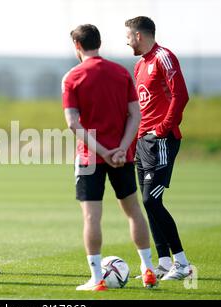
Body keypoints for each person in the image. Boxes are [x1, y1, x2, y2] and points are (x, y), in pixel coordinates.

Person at [61, 24, 157, 291]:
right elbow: (135, 115)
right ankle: (148, 270)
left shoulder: (72, 77)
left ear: (77, 46)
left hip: (91, 157)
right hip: (122, 156)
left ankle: (96, 279)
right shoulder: (121, 73)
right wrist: (121, 148)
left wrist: (101, 151)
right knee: (133, 211)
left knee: (92, 218)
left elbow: (73, 124)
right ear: (99, 43)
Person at [125, 16, 191, 280]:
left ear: (139, 35)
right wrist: (132, 143)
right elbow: (139, 109)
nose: (126, 40)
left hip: (161, 140)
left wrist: (163, 128)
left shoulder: (164, 57)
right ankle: (163, 262)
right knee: (149, 204)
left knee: (150, 199)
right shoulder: (139, 65)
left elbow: (181, 94)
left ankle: (183, 263)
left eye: (128, 35)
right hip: (143, 142)